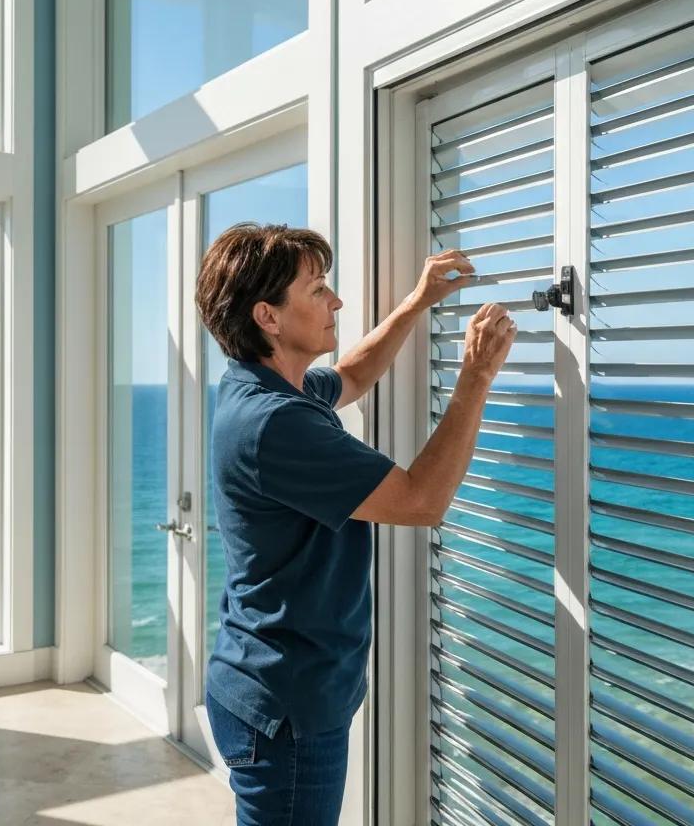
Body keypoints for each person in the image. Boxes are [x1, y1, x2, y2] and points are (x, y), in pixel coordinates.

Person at [195, 222, 517, 826]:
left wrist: (416, 301)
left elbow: (354, 375)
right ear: (268, 316)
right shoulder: (277, 423)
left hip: (270, 684)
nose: (336, 301)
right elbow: (421, 501)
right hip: (285, 707)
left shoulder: (263, 387)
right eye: (317, 290)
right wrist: (475, 379)